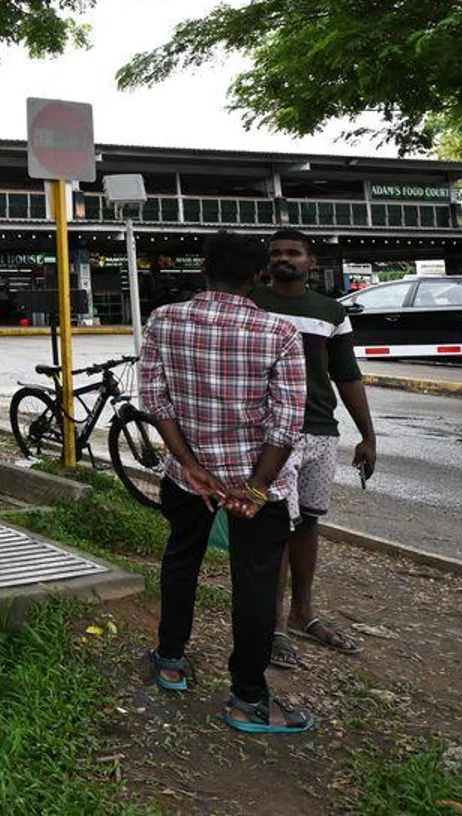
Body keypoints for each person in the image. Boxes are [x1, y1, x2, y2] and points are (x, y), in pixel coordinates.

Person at [140, 232, 313, 734]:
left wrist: (190, 466)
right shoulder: (278, 332)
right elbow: (287, 423)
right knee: (257, 582)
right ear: (257, 276)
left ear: (203, 269)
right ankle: (248, 698)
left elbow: (157, 400)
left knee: (181, 559)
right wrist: (257, 487)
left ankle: (170, 659)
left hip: (187, 476)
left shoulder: (164, 321)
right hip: (256, 483)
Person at [254, 228, 376, 667]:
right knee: (273, 530)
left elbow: (347, 374)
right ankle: (270, 627)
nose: (284, 259)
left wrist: (368, 434)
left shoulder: (330, 312)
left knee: (307, 524)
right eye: (276, 253)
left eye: (293, 253)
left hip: (321, 432)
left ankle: (302, 613)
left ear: (311, 261)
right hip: (269, 435)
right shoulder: (252, 304)